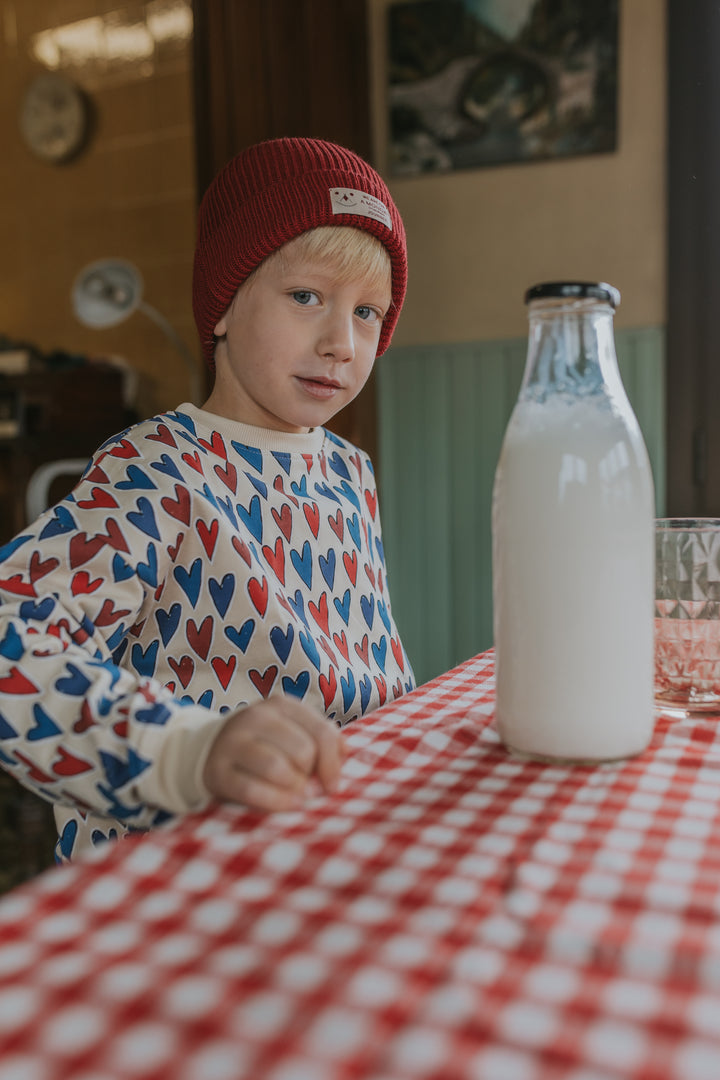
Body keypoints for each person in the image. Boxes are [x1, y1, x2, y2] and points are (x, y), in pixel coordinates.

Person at [0, 137, 414, 861]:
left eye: (368, 313)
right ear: (222, 306)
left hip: (332, 844)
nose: (341, 342)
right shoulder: (158, 470)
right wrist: (186, 753)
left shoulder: (351, 471)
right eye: (306, 296)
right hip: (183, 861)